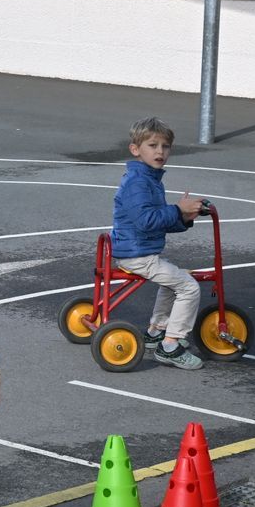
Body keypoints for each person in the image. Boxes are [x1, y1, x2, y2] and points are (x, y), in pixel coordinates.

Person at [110, 116, 206, 369]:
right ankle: (171, 346)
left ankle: (156, 332)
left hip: (141, 251)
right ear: (135, 149)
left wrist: (183, 217)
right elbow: (146, 221)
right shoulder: (138, 182)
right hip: (137, 254)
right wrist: (177, 209)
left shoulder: (149, 179)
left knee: (175, 281)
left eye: (165, 146)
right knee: (189, 287)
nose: (160, 151)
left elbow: (158, 221)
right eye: (152, 146)